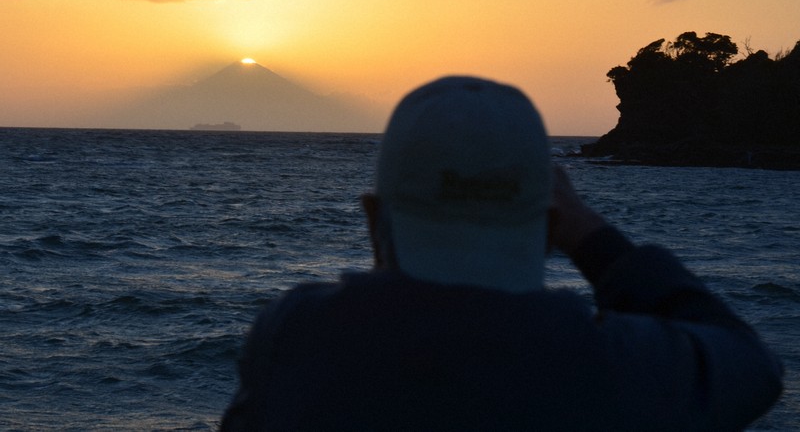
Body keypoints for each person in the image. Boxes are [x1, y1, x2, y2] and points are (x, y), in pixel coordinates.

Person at [221, 76, 783, 431]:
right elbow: (752, 367)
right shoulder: (618, 364)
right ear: (548, 226)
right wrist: (589, 233)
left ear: (375, 219)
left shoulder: (296, 338)